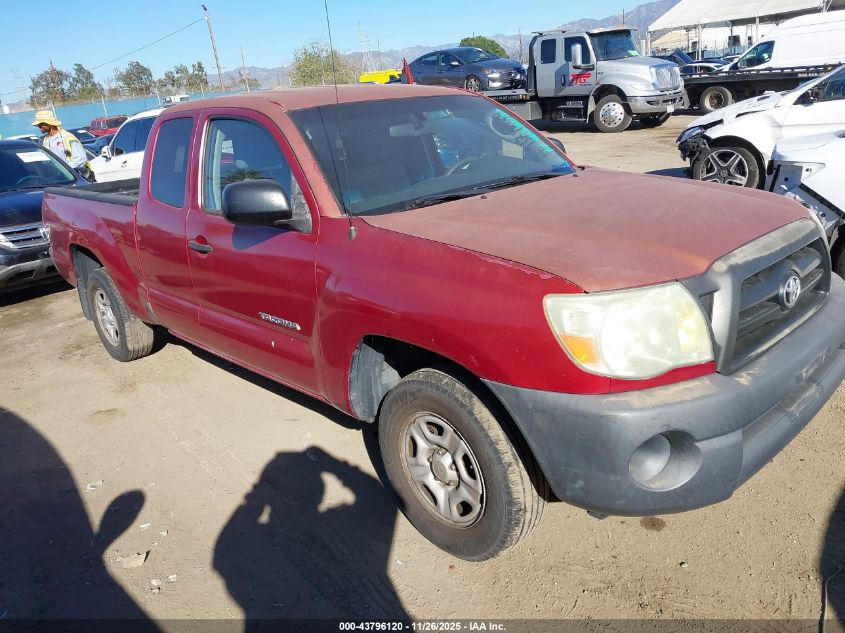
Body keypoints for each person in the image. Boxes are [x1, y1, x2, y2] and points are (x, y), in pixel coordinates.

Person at [32, 110, 91, 179]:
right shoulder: (45, 140)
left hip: (76, 178)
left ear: (49, 124)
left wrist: (64, 170)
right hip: (59, 179)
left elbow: (81, 158)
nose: (39, 127)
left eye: (41, 124)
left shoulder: (67, 137)